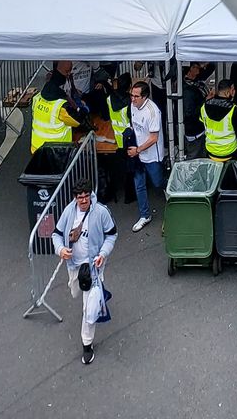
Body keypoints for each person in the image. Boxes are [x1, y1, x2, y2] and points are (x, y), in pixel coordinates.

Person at [52, 187, 118, 364]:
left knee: (88, 309)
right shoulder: (68, 212)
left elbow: (112, 235)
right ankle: (101, 295)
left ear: (90, 196)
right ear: (75, 198)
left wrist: (102, 254)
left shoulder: (101, 212)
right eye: (79, 197)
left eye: (86, 197)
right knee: (75, 292)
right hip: (74, 266)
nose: (83, 201)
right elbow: (56, 235)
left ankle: (87, 344)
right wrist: (60, 249)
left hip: (92, 268)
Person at [126, 79, 165, 230]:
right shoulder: (133, 106)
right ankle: (144, 215)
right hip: (138, 153)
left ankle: (172, 194)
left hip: (151, 156)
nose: (132, 99)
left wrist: (138, 149)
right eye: (132, 95)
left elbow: (154, 138)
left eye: (136, 96)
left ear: (145, 97)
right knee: (139, 185)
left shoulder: (153, 112)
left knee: (157, 182)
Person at [30, 62, 84, 153]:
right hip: (56, 152)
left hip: (36, 149)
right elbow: (78, 122)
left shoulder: (36, 98)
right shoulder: (60, 108)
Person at [200, 79, 237, 161]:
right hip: (229, 152)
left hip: (211, 150)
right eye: (233, 90)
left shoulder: (204, 106)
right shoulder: (233, 109)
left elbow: (201, 121)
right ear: (228, 92)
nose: (234, 92)